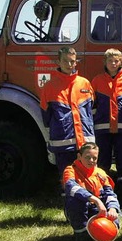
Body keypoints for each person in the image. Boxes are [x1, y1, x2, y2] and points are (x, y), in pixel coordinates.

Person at [40, 47, 95, 177]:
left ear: (76, 62)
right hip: (62, 139)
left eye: (72, 61)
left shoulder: (85, 83)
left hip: (84, 139)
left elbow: (92, 110)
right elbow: (46, 115)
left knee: (86, 174)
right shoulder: (50, 86)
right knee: (66, 174)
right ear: (58, 62)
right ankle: (66, 194)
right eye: (65, 61)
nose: (69, 65)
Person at [62, 142, 120, 241]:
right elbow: (71, 187)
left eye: (94, 158)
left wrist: (113, 208)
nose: (91, 161)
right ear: (79, 156)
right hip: (80, 208)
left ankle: (99, 239)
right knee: (75, 202)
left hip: (98, 209)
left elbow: (110, 194)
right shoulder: (70, 170)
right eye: (87, 157)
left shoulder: (101, 173)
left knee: (114, 221)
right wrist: (96, 200)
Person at [91, 48, 122, 188]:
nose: (113, 63)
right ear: (104, 62)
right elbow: (92, 104)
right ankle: (103, 183)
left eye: (116, 61)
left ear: (121, 61)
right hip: (102, 127)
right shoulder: (97, 80)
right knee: (103, 156)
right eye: (110, 61)